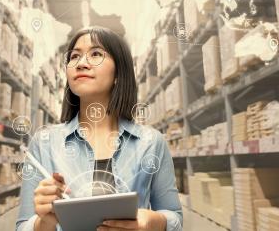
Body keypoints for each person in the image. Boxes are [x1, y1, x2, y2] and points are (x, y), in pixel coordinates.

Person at [16, 26, 182, 231]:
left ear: (119, 73)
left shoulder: (151, 142)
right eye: (74, 56)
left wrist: (153, 222)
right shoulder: (44, 143)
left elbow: (174, 216)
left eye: (96, 54)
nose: (81, 63)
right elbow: (23, 226)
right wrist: (45, 222)